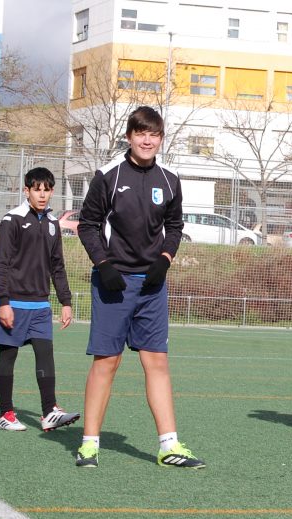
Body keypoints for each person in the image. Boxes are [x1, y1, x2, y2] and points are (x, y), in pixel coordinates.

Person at [75, 105, 204, 469]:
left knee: (157, 361)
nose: (147, 140)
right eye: (141, 133)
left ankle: (169, 446)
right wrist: (103, 264)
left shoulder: (170, 179)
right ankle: (89, 445)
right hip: (113, 283)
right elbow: (87, 225)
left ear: (161, 138)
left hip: (152, 286)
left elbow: (175, 227)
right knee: (107, 362)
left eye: (154, 134)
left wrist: (165, 259)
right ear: (129, 137)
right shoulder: (108, 175)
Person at [0, 167, 79, 433]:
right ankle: (5, 413)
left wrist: (65, 302)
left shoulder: (52, 223)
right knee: (8, 355)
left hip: (41, 305)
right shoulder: (12, 220)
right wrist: (3, 301)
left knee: (45, 354)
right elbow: (2, 263)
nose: (42, 195)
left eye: (47, 190)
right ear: (27, 190)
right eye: (36, 189)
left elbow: (57, 266)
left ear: (52, 192)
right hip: (14, 303)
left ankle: (49, 411)